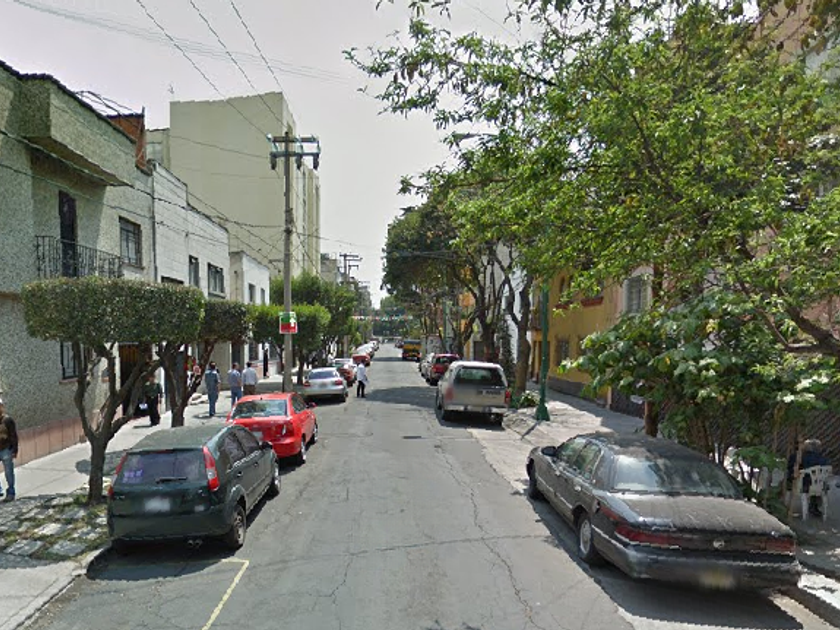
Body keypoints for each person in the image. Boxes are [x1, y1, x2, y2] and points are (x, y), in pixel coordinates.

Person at [788, 439, 831, 517]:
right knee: (815, 481)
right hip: (820, 486)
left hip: (804, 485)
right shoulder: (824, 459)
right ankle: (814, 507)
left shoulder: (800, 457)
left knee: (789, 480)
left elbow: (791, 469)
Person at [0, 398, 18, 502]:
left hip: (6, 449)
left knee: (8, 472)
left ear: (2, 407)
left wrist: (15, 450)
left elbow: (13, 435)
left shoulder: (7, 420)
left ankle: (11, 492)